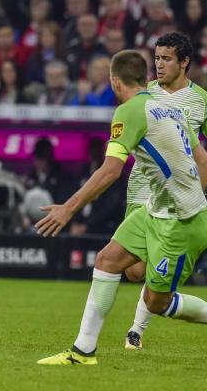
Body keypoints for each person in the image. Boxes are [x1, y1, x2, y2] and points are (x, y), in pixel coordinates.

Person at [35, 50, 207, 365]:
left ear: (115, 82)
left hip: (182, 222)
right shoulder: (169, 106)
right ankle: (82, 352)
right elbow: (202, 159)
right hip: (156, 209)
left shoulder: (128, 111)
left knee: (157, 303)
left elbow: (111, 171)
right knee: (108, 260)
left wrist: (68, 209)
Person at [123, 32, 207, 349]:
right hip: (141, 189)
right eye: (156, 58)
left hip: (178, 197)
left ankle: (136, 331)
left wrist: (194, 195)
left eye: (166, 59)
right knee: (133, 271)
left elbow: (202, 155)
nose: (159, 65)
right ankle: (144, 320)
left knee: (151, 272)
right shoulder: (144, 97)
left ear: (184, 62)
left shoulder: (200, 100)